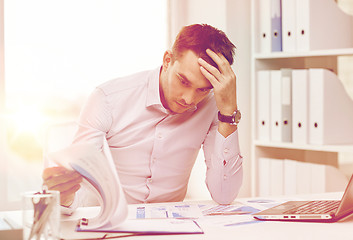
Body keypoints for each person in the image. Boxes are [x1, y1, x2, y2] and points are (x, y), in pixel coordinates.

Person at [42, 23, 243, 214]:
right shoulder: (108, 99)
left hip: (173, 228)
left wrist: (228, 113)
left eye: (202, 90)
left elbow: (224, 195)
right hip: (110, 224)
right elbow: (79, 184)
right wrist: (65, 195)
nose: (189, 99)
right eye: (183, 81)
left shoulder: (213, 106)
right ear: (167, 60)